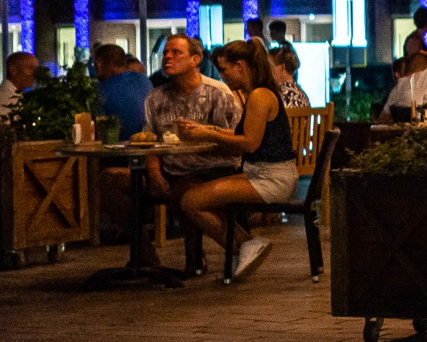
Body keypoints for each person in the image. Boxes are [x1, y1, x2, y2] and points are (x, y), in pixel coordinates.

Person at [174, 41, 297, 280]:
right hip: (264, 174)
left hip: (271, 180)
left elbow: (249, 143)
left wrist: (208, 134)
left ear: (240, 66)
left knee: (190, 201)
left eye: (224, 69)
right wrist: (208, 129)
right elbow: (246, 135)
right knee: (200, 197)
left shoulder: (260, 96)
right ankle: (242, 248)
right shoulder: (258, 93)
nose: (222, 76)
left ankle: (245, 244)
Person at [136, 35, 244, 272]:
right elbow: (149, 141)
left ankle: (238, 246)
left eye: (176, 52)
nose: (167, 57)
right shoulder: (155, 98)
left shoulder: (218, 93)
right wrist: (154, 173)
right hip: (169, 169)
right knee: (111, 181)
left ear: (196, 60)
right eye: (166, 52)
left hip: (213, 169)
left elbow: (237, 144)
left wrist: (204, 135)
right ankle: (144, 258)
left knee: (183, 190)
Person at [94, 45, 153, 136]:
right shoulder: (145, 80)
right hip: (149, 141)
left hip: (117, 144)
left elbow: (100, 131)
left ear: (99, 64)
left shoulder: (100, 91)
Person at [382, 50, 427, 122]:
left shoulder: (397, 87)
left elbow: (383, 117)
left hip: (403, 128)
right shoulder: (422, 79)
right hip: (423, 127)